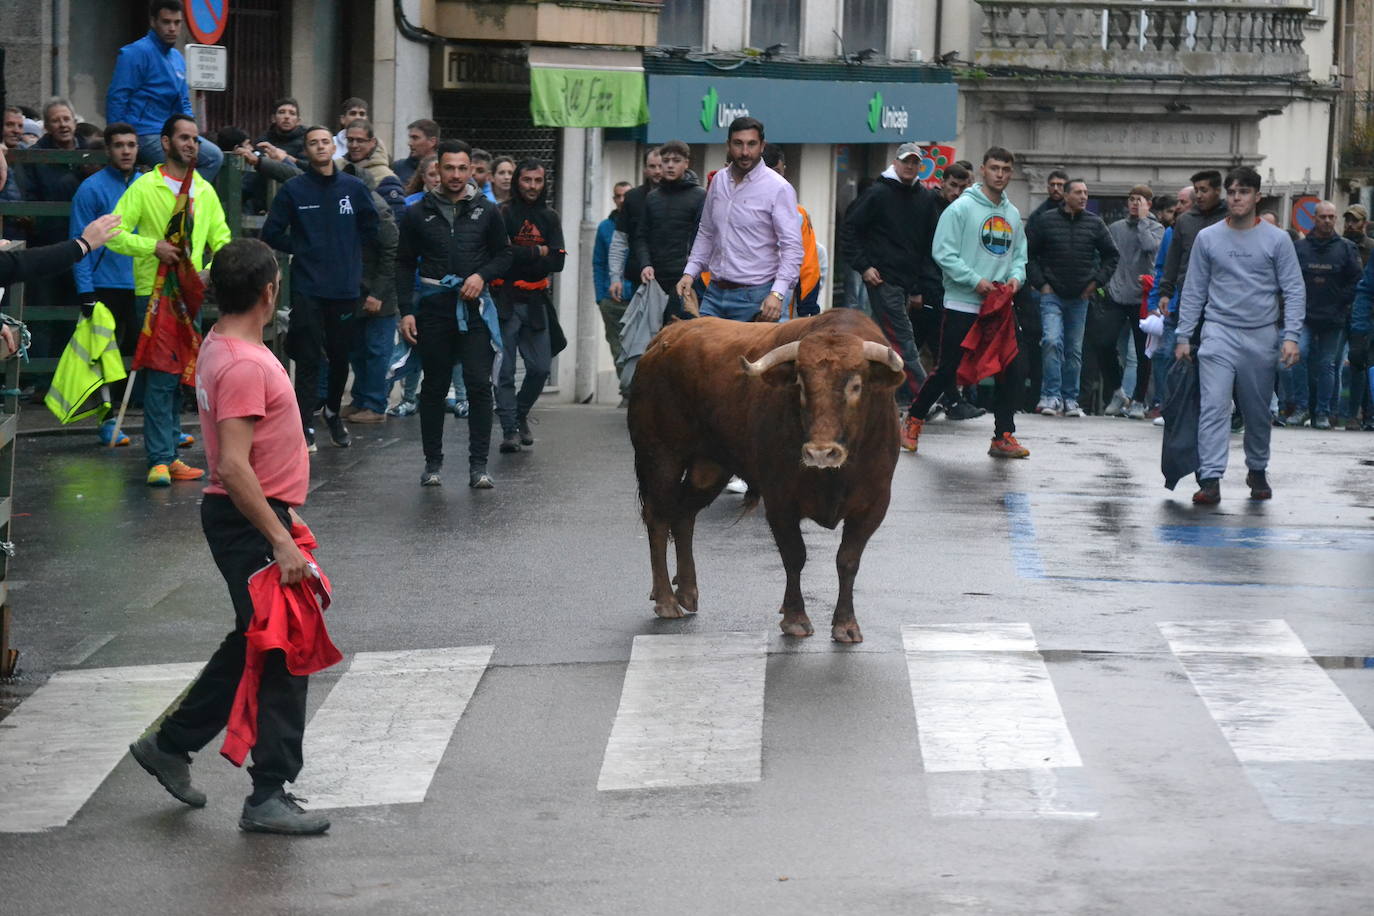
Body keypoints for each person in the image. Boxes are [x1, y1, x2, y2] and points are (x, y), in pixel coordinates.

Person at [128, 237, 331, 836]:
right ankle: (268, 792)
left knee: (254, 639)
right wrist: (280, 539)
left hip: (255, 515)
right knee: (284, 648)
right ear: (270, 292)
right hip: (250, 518)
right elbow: (235, 467)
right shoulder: (242, 363)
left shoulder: (225, 343)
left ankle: (172, 744)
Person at [107, 114, 232, 487]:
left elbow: (222, 239)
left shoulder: (205, 190)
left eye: (195, 139)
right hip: (156, 292)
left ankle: (171, 453)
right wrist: (153, 247)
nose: (191, 144)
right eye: (183, 138)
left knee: (182, 375)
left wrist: (209, 269)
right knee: (162, 376)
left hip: (189, 294)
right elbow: (113, 233)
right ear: (165, 142)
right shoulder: (145, 188)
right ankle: (160, 458)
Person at [1175, 166, 1305, 505]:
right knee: (1214, 407)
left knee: (1257, 410)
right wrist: (1183, 334)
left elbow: (1293, 289)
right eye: (1231, 192)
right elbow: (1194, 289)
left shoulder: (1277, 240)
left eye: (1244, 192)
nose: (1236, 198)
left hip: (1261, 335)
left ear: (1257, 197)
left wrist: (1291, 336)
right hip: (1218, 332)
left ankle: (1257, 468)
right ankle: (1211, 477)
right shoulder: (1208, 237)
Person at [395, 139, 512, 488]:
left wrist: (481, 276)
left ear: (472, 170)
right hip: (433, 309)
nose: (457, 175)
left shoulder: (486, 210)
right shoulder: (418, 212)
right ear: (438, 170)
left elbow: (504, 255)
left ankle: (479, 466)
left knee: (478, 385)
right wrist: (406, 311)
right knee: (433, 387)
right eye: (450, 168)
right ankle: (433, 463)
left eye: (463, 168)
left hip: (474, 310)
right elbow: (402, 263)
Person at [903, 146, 1030, 458]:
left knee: (1011, 368)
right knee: (948, 369)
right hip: (964, 302)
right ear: (983, 170)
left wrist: (1016, 279)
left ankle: (1003, 434)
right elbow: (943, 252)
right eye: (995, 168)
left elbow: (1020, 257)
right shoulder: (960, 209)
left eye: (1006, 169)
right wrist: (975, 280)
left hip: (1000, 306)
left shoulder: (1012, 214)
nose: (1000, 174)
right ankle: (914, 418)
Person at [261, 124, 380, 449]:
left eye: (325, 141)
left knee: (341, 357)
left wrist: (352, 256)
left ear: (334, 147)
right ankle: (304, 426)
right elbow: (270, 232)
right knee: (309, 358)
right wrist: (300, 246)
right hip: (309, 288)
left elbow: (373, 228)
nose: (320, 147)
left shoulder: (354, 188)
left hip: (344, 289)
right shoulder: (294, 190)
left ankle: (332, 413)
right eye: (313, 143)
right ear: (307, 150)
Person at [676, 117, 802, 323]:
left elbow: (792, 248)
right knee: (699, 354)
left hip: (757, 298)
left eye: (751, 144)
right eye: (738, 144)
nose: (745, 152)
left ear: (762, 146)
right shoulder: (718, 181)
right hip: (714, 294)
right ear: (728, 145)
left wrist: (777, 294)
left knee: (749, 357)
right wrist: (689, 273)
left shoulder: (778, 188)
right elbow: (707, 232)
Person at [842, 141, 938, 410]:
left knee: (880, 341)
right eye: (905, 161)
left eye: (914, 162)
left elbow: (927, 246)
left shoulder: (925, 197)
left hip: (907, 282)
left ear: (920, 166)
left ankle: (876, 397)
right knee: (903, 340)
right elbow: (850, 230)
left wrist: (919, 286)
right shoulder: (877, 194)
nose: (909, 166)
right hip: (883, 280)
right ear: (895, 162)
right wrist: (864, 267)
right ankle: (924, 399)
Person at [70, 122, 141, 446]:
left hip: (142, 283)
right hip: (105, 283)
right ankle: (107, 419)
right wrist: (85, 290)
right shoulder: (91, 188)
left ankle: (160, 424)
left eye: (131, 144)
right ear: (108, 150)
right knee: (103, 356)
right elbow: (79, 244)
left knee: (149, 353)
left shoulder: (148, 186)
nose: (126, 150)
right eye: (119, 145)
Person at [1026, 178, 1119, 416]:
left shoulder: (1095, 223)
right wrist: (1041, 283)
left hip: (1080, 297)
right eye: (1078, 192)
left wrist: (1096, 283)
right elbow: (1027, 254)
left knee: (1074, 350)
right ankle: (1050, 396)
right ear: (1066, 196)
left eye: (1086, 192)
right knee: (1051, 341)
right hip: (1051, 294)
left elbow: (1112, 255)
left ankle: (1070, 399)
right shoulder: (1046, 221)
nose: (1084, 197)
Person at [106, 1, 223, 181]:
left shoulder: (177, 58)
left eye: (177, 23)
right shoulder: (135, 53)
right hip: (144, 132)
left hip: (172, 132)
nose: (172, 28)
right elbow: (117, 97)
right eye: (166, 22)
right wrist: (118, 138)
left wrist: (192, 133)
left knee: (214, 157)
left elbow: (184, 101)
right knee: (178, 165)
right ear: (153, 21)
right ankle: (180, 200)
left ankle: (186, 199)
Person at [494, 159, 565, 452]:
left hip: (536, 301)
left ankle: (520, 413)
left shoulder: (550, 217)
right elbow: (500, 256)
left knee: (539, 367)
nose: (532, 187)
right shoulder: (502, 213)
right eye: (526, 180)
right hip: (504, 300)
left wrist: (519, 252)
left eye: (537, 181)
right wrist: (537, 250)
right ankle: (509, 429)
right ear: (516, 182)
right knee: (505, 370)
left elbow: (558, 261)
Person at [1290, 201, 1362, 430]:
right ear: (1315, 218)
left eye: (1332, 216)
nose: (1328, 221)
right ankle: (1301, 407)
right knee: (1297, 355)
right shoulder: (1300, 248)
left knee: (1327, 364)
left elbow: (1356, 280)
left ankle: (1322, 412)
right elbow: (1289, 278)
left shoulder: (1346, 248)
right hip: (1304, 315)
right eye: (1323, 216)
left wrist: (1340, 302)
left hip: (1334, 317)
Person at [1096, 184, 1164, 418]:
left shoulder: (1157, 228)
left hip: (1143, 297)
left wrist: (1144, 222)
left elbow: (1149, 246)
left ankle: (1138, 400)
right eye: (1132, 199)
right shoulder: (1115, 228)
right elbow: (1107, 255)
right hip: (1117, 294)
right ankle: (1117, 391)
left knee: (1143, 352)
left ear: (1149, 205)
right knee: (1104, 342)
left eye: (1140, 200)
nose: (1135, 203)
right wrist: (1107, 283)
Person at [634, 140, 704, 322]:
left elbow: (704, 237)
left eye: (676, 160)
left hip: (686, 279)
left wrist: (692, 270)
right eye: (666, 161)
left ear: (686, 163)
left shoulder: (699, 196)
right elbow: (641, 236)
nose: (670, 165)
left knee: (683, 335)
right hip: (654, 280)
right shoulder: (652, 198)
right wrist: (645, 264)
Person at [762, 147, 822, 317]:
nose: (772, 179)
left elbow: (808, 264)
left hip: (781, 305)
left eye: (777, 172)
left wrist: (808, 309)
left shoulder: (798, 214)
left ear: (784, 171)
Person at [609, 148, 661, 302]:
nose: (657, 171)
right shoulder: (633, 198)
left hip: (671, 276)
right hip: (639, 279)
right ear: (645, 169)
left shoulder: (680, 197)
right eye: (652, 166)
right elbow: (619, 241)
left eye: (660, 165)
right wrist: (615, 278)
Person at [594, 180, 633, 372]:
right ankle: (626, 392)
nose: (622, 200)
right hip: (611, 299)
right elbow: (598, 263)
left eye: (626, 195)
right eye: (618, 196)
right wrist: (600, 297)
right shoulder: (605, 228)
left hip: (636, 297)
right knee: (617, 348)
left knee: (637, 347)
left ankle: (634, 391)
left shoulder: (642, 223)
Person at [339, 119, 407, 221]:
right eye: (350, 140)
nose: (354, 145)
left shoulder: (386, 177)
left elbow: (396, 220)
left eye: (360, 140)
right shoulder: (337, 167)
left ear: (373, 142)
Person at [393, 119, 439, 187]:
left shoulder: (445, 167)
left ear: (432, 141)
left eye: (415, 138)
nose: (409, 143)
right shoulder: (398, 167)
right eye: (410, 138)